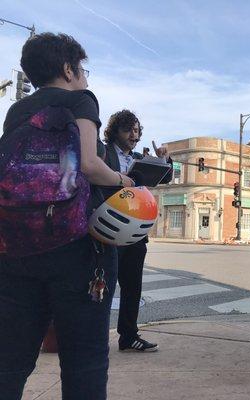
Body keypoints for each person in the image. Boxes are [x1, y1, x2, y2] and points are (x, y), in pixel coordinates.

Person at [0, 33, 134, 400]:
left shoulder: (17, 111)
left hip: (15, 248)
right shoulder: (80, 99)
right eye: (83, 69)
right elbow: (89, 165)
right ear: (68, 68)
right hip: (74, 248)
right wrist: (123, 180)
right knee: (85, 360)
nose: (86, 77)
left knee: (9, 361)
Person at [102, 109, 172, 352]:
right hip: (108, 230)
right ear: (115, 131)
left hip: (135, 232)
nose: (133, 134)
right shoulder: (103, 153)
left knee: (132, 287)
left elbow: (164, 178)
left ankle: (128, 336)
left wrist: (164, 160)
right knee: (103, 288)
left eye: (136, 130)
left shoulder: (140, 159)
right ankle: (95, 337)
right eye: (128, 129)